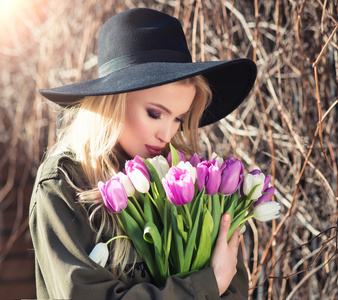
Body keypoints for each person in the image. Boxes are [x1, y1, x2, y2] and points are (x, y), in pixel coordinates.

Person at [29, 7, 257, 299]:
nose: (167, 134)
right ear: (112, 102)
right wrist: (207, 283)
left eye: (178, 118)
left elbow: (233, 288)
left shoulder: (188, 180)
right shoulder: (65, 185)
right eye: (154, 113)